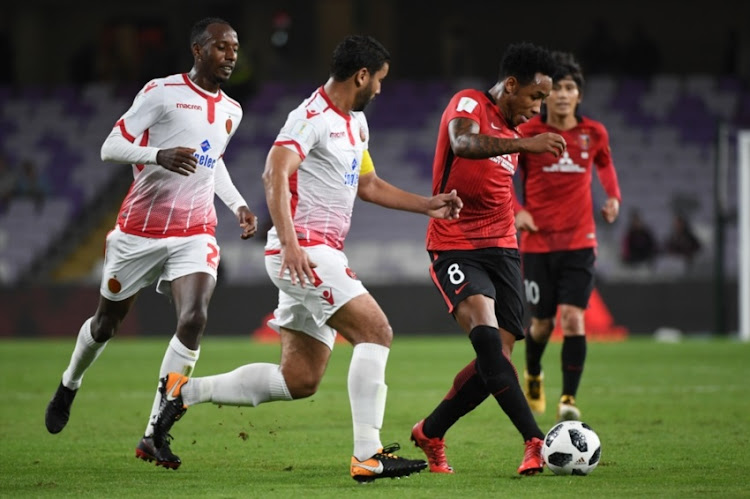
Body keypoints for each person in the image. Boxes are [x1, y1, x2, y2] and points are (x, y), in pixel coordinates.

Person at [150, 34, 462, 482]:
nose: (380, 88)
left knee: (299, 379)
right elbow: (274, 170)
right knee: (376, 331)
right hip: (303, 253)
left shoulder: (355, 123)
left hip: (318, 253)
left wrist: (427, 204)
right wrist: (293, 244)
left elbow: (368, 185)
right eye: (379, 80)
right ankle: (368, 455)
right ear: (361, 75)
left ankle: (183, 391)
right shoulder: (310, 116)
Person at [44, 17, 258, 471]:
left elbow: (211, 161)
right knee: (105, 325)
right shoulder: (161, 92)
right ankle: (69, 382)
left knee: (195, 317)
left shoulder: (232, 110)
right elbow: (110, 146)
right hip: (139, 232)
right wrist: (155, 154)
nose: (232, 55)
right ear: (198, 50)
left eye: (235, 48)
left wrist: (237, 204)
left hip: (195, 231)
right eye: (222, 47)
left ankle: (154, 431)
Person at [409, 42, 565, 476]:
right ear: (511, 85)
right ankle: (534, 440)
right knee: (487, 341)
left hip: (503, 246)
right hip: (455, 242)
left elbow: (496, 189)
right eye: (535, 97)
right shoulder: (469, 103)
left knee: (497, 361)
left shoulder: (515, 137)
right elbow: (462, 143)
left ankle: (431, 431)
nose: (536, 109)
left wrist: (519, 213)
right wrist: (530, 144)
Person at [513, 51, 621, 424]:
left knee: (573, 319)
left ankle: (569, 397)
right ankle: (533, 371)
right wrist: (517, 209)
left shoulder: (594, 133)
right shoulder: (528, 134)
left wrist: (612, 197)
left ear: (579, 95)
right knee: (541, 324)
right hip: (538, 244)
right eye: (556, 88)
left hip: (580, 242)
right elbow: (504, 174)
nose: (562, 94)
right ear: (545, 95)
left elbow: (604, 162)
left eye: (569, 87)